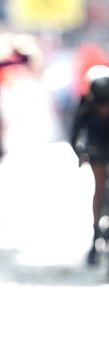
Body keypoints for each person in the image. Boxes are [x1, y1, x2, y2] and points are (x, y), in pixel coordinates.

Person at [70, 65, 109, 266]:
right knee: (99, 187)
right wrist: (80, 152)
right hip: (97, 147)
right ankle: (95, 236)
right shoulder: (85, 102)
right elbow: (74, 132)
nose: (103, 109)